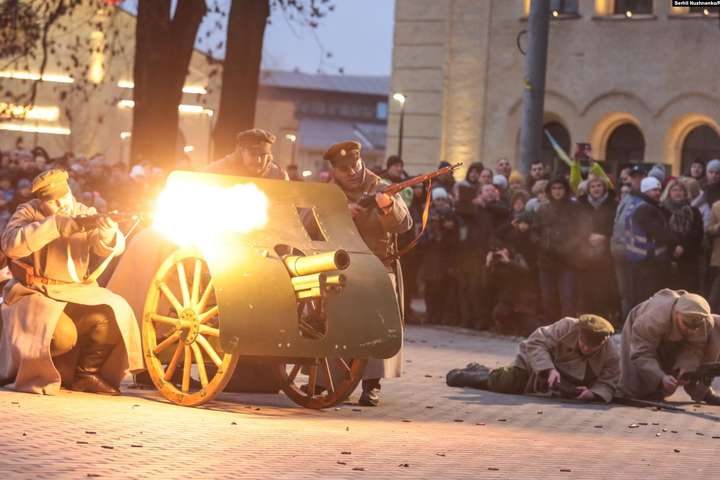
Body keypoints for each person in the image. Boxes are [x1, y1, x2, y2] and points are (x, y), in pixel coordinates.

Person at [0, 169, 142, 395]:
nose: (61, 205)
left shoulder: (84, 212)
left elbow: (110, 248)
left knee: (117, 311)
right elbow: (10, 244)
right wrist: (55, 225)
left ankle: (86, 374)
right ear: (41, 201)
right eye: (53, 202)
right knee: (63, 337)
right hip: (34, 291)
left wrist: (107, 234)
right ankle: (29, 367)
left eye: (64, 198)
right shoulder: (28, 211)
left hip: (74, 290)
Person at [323, 141, 412, 406]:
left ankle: (372, 384)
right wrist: (341, 213)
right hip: (339, 267)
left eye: (355, 165)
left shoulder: (381, 186)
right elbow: (307, 224)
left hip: (378, 265)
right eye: (344, 169)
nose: (351, 172)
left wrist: (387, 207)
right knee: (334, 324)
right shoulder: (326, 192)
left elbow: (404, 224)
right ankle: (328, 381)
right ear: (334, 170)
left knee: (378, 326)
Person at [446, 315, 619, 403]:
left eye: (592, 347)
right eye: (583, 343)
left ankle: (482, 370)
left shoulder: (611, 353)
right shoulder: (567, 326)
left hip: (566, 384)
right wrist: (549, 369)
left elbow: (609, 381)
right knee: (507, 382)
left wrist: (593, 393)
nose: (586, 349)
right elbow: (536, 342)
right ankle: (467, 375)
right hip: (535, 366)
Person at [619, 289, 720, 405]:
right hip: (642, 331)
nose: (692, 330)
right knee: (635, 387)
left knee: (716, 328)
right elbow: (641, 353)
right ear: (677, 314)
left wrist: (685, 369)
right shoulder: (652, 318)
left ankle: (700, 390)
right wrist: (661, 377)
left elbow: (694, 348)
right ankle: (650, 390)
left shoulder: (705, 322)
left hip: (671, 330)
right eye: (687, 324)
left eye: (696, 326)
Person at [531, 176, 588, 323]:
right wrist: (543, 244)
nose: (557, 191)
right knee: (548, 298)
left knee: (567, 298)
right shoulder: (543, 209)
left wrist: (569, 247)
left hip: (568, 261)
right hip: (547, 260)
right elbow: (535, 231)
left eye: (560, 188)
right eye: (554, 188)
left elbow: (583, 230)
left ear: (566, 189)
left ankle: (567, 330)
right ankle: (551, 330)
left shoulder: (575, 208)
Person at [577, 176, 619, 324]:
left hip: (606, 253)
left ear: (604, 188)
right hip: (584, 253)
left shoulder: (613, 205)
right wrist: (586, 236)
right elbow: (574, 225)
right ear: (588, 189)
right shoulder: (581, 205)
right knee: (586, 289)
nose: (596, 189)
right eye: (593, 186)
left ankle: (604, 321)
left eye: (599, 186)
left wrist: (605, 236)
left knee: (604, 288)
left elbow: (617, 225)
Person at [661, 179, 704, 292]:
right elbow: (662, 232)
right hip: (668, 256)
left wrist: (683, 246)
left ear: (685, 193)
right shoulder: (662, 210)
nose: (678, 193)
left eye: (681, 190)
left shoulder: (694, 211)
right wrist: (673, 246)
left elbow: (697, 233)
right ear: (669, 192)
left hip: (689, 257)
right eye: (674, 190)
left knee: (688, 291)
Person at [205, 128, 288, 180]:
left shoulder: (278, 176)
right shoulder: (217, 171)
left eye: (263, 155)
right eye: (253, 154)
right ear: (241, 152)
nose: (258, 160)